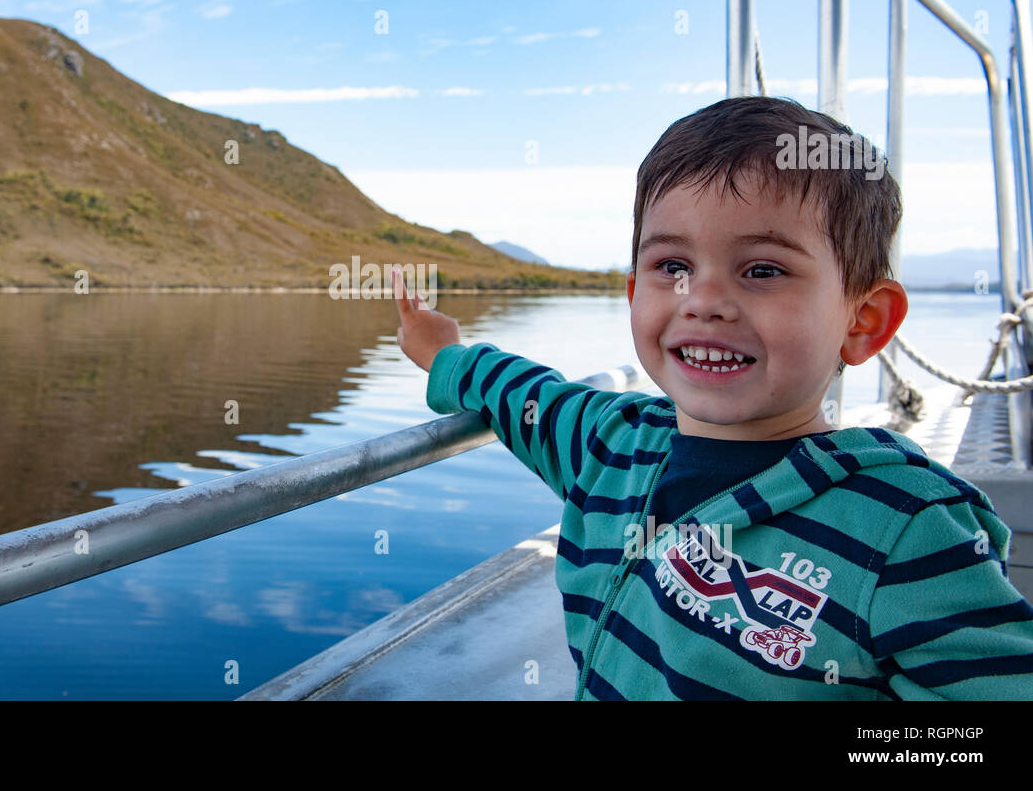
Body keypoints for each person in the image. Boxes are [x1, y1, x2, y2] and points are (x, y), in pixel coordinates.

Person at [391, 95, 1033, 700]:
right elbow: (521, 394)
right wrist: (442, 351)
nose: (701, 301)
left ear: (863, 321)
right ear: (633, 292)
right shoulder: (607, 444)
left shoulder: (906, 531)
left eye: (763, 270)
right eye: (671, 266)